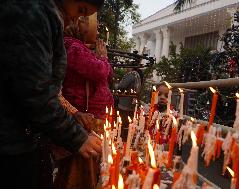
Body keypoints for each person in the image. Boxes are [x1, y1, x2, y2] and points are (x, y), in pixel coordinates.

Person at [0, 0, 104, 188]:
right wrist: (77, 137)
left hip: (25, 136)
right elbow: (35, 91)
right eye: (80, 10)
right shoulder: (33, 13)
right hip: (11, 143)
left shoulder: (44, 13)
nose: (75, 19)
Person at [53, 13, 113, 189]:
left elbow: (106, 76)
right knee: (78, 171)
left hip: (90, 120)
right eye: (96, 22)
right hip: (83, 121)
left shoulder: (80, 47)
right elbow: (99, 71)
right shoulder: (73, 46)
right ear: (80, 21)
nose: (98, 27)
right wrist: (102, 58)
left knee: (89, 168)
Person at [116, 68, 144, 141]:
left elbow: (121, 86)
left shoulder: (132, 74)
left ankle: (122, 141)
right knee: (130, 125)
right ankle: (128, 141)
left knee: (123, 125)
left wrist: (116, 87)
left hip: (125, 104)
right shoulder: (138, 75)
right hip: (132, 104)